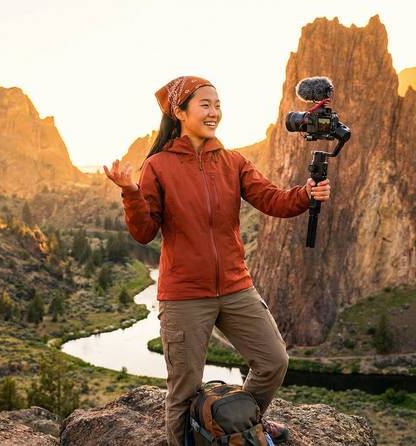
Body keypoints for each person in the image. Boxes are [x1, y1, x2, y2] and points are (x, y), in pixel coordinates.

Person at [103, 75, 331, 446]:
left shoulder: (233, 161)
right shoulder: (159, 166)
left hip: (235, 286)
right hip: (184, 295)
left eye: (218, 105)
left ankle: (241, 426)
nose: (214, 112)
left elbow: (273, 200)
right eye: (205, 105)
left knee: (274, 361)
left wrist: (306, 194)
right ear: (179, 112)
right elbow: (144, 232)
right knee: (184, 389)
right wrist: (130, 192)